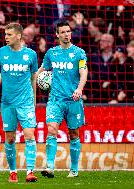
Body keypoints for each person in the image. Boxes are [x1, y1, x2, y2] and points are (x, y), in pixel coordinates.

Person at [0, 23, 38, 182]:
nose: (6, 37)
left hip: (26, 103)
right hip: (7, 103)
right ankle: (13, 172)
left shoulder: (31, 55)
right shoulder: (0, 53)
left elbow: (33, 79)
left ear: (18, 36)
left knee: (29, 135)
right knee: (10, 138)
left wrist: (34, 102)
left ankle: (30, 172)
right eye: (5, 34)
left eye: (9, 34)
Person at [37, 21, 88, 178]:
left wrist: (79, 89)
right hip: (55, 100)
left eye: (68, 31)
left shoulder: (79, 53)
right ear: (57, 35)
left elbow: (83, 72)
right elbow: (42, 70)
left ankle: (73, 169)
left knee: (74, 134)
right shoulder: (51, 53)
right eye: (63, 32)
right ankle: (50, 167)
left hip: (73, 100)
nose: (67, 34)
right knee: (52, 129)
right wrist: (34, 78)